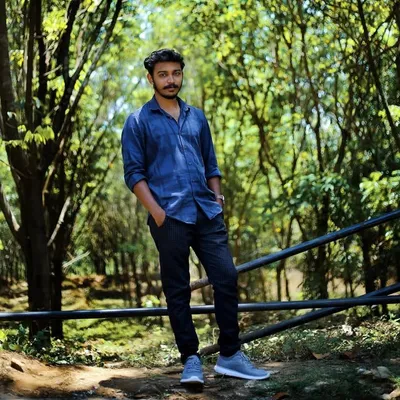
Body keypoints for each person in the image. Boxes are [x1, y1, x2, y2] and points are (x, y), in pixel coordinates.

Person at [121, 48, 270, 386]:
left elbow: (211, 164)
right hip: (169, 218)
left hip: (206, 212)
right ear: (151, 78)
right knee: (178, 290)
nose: (170, 80)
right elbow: (134, 174)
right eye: (163, 74)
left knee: (226, 277)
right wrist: (158, 213)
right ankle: (190, 360)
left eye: (175, 73)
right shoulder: (138, 121)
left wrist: (217, 199)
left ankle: (230, 355)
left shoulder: (197, 117)